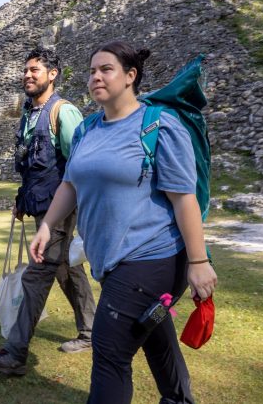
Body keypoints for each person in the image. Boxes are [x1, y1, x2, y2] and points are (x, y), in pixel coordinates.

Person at [28, 41, 218, 403]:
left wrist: (198, 261)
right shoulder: (88, 129)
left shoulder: (160, 127)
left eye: (106, 69)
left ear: (130, 76)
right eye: (91, 70)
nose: (95, 76)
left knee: (110, 354)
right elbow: (70, 183)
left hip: (154, 259)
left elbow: (184, 198)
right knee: (155, 335)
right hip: (112, 261)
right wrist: (47, 225)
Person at [0, 47, 96, 376]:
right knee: (66, 271)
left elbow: (80, 165)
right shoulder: (29, 115)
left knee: (37, 274)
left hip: (58, 210)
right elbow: (31, 166)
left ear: (52, 74)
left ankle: (15, 354)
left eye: (35, 70)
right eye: (26, 70)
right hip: (38, 208)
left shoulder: (63, 112)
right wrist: (22, 198)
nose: (28, 75)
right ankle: (92, 332)